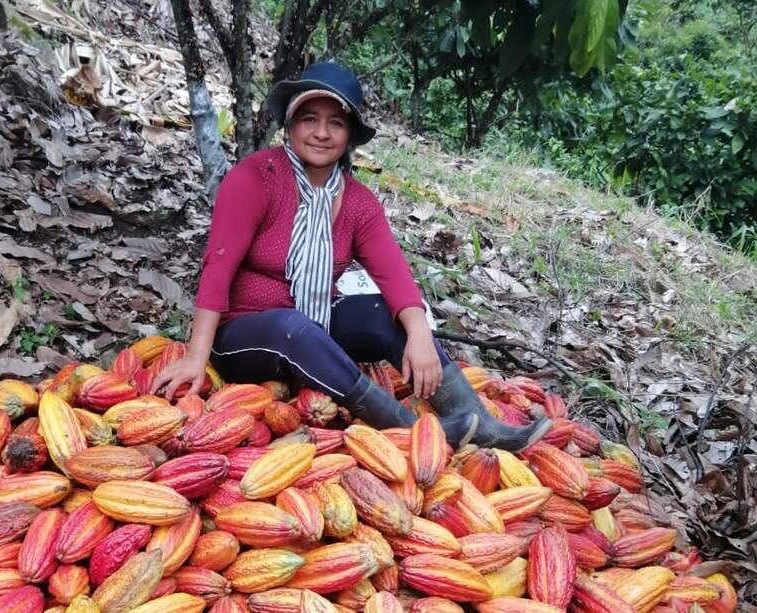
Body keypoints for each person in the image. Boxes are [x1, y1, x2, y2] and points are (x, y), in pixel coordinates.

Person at [151, 62, 550, 451]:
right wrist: (196, 357)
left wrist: (419, 333)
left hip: (315, 332)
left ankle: (481, 423)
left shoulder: (357, 202)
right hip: (244, 338)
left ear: (349, 136)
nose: (321, 133)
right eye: (309, 119)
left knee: (382, 313)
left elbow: (393, 273)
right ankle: (413, 431)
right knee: (292, 326)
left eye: (336, 123)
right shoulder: (255, 178)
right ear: (289, 126)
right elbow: (218, 267)